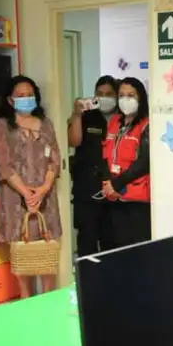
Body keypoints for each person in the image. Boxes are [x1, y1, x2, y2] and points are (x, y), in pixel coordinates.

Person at [0, 75, 62, 296]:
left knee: (47, 253)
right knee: (22, 257)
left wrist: (43, 189)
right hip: (15, 199)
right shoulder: (1, 126)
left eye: (30, 94)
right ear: (10, 100)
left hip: (45, 198)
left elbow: (55, 160)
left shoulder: (46, 124)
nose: (26, 98)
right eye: (20, 95)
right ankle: (26, 300)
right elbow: (3, 165)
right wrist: (26, 193)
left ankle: (48, 301)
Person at [68, 75, 117, 256]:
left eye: (109, 94)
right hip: (86, 188)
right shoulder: (88, 116)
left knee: (111, 242)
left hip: (114, 188)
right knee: (87, 240)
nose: (104, 97)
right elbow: (73, 141)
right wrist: (76, 114)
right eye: (100, 93)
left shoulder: (122, 119)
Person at [100, 77, 151, 248]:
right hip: (113, 196)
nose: (125, 99)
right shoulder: (114, 122)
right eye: (121, 95)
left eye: (131, 95)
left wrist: (117, 184)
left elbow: (144, 162)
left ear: (140, 98)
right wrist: (108, 183)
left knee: (137, 248)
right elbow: (104, 153)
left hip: (136, 198)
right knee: (115, 245)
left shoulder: (146, 124)